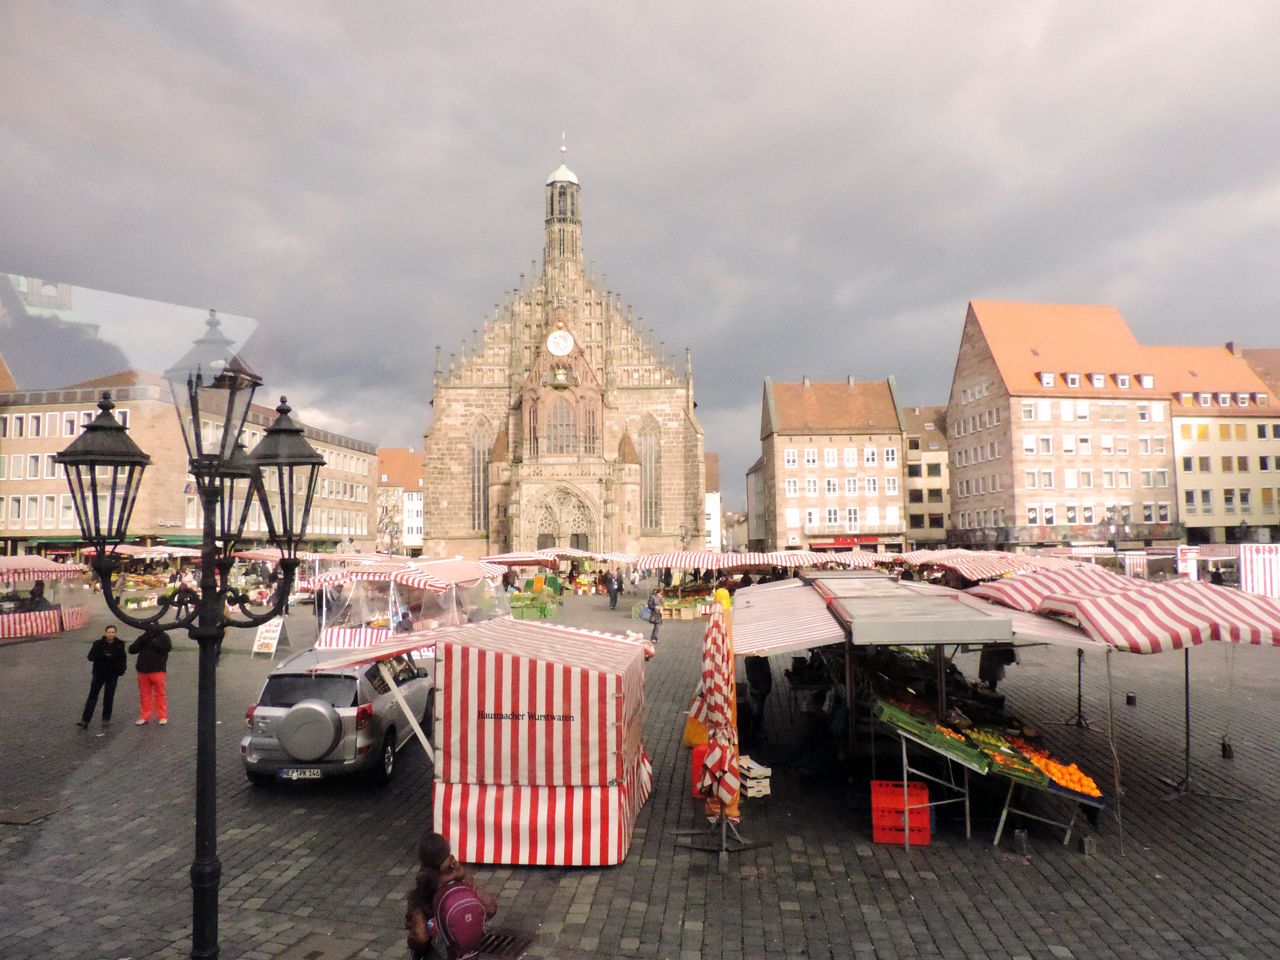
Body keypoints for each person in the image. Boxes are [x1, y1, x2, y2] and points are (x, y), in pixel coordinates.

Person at [406, 832, 497, 960]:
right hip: (467, 952)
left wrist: (411, 942)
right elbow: (490, 908)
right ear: (448, 850)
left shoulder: (423, 886)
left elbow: (421, 936)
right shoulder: (463, 877)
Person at [78, 625, 127, 728]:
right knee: (92, 697)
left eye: (113, 632)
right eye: (109, 632)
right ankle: (85, 720)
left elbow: (123, 659)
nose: (111, 634)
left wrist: (121, 671)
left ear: (115, 633)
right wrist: (102, 654)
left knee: (108, 697)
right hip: (99, 674)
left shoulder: (119, 645)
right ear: (105, 633)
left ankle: (106, 719)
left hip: (112, 675)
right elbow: (90, 657)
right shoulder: (98, 644)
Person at [129, 626, 172, 725]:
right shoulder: (143, 637)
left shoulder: (163, 637)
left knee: (160, 694)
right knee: (144, 695)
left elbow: (167, 648)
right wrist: (143, 640)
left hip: (157, 670)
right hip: (143, 670)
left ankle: (162, 716)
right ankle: (144, 716)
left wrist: (152, 642)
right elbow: (132, 650)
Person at [744, 655, 773, 739]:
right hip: (759, 687)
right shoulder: (755, 659)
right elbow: (757, 674)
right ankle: (755, 730)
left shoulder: (752, 658)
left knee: (758, 708)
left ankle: (756, 728)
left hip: (760, 686)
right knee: (757, 709)